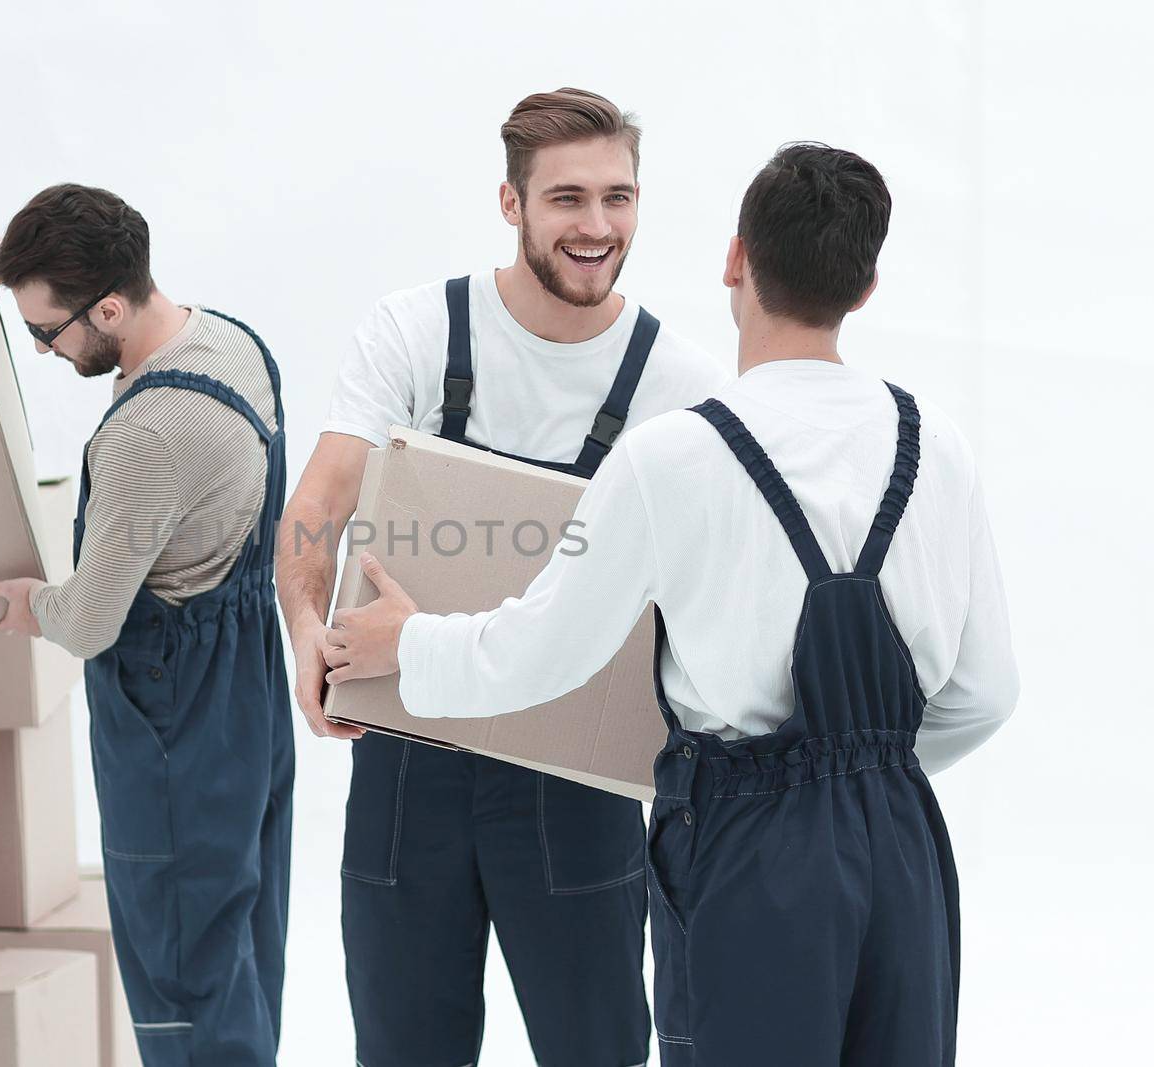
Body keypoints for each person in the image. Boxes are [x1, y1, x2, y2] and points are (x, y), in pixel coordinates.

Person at [326, 143, 1020, 1066]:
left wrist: (409, 645)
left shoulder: (673, 456)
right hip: (901, 839)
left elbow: (541, 655)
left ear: (736, 260)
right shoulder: (939, 444)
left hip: (747, 842)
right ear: (867, 285)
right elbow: (987, 693)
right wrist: (865, 775)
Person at [276, 88, 723, 1066]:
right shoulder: (416, 330)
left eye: (618, 196)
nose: (597, 226)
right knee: (403, 1046)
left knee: (595, 1046)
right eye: (566, 198)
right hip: (407, 756)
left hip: (576, 777)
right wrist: (306, 627)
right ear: (511, 203)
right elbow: (318, 504)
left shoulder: (678, 381)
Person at [0, 183, 293, 1067]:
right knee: (239, 948)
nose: (38, 348)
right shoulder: (232, 340)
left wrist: (30, 602)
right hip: (247, 684)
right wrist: (17, 264)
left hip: (173, 709)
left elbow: (92, 621)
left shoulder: (146, 434)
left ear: (108, 305)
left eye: (46, 330)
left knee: (183, 970)